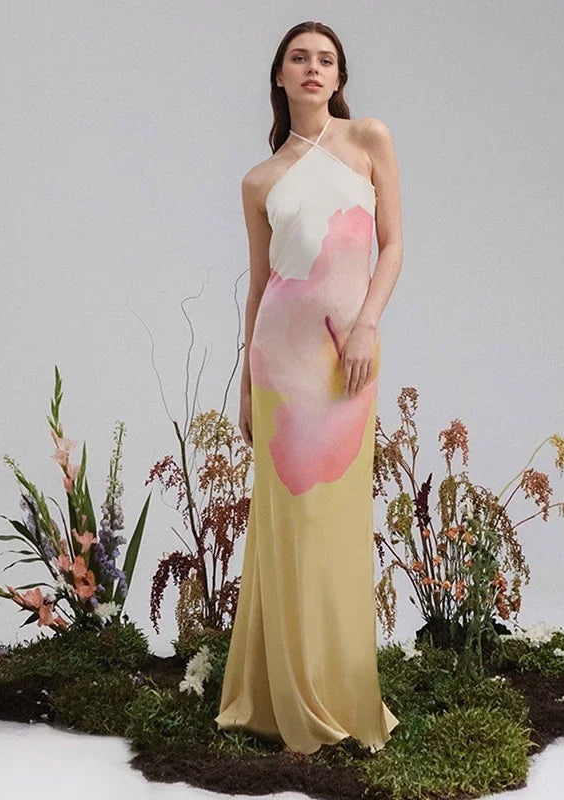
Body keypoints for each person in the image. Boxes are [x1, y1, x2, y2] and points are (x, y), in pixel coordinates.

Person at [214, 19, 404, 755]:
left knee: (338, 525)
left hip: (347, 358)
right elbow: (260, 283)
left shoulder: (368, 140)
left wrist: (367, 327)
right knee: (289, 527)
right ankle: (279, 696)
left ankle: (341, 688)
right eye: (299, 58)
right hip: (279, 364)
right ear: (280, 75)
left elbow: (394, 245)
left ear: (339, 77)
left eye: (325, 59)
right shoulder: (259, 180)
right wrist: (244, 384)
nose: (313, 68)